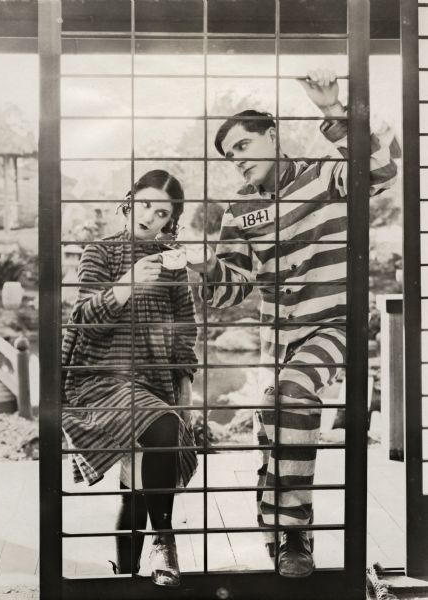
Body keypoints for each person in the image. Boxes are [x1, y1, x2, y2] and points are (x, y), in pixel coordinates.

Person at [189, 69, 399, 577]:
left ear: (274, 135)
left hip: (334, 327)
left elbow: (382, 169)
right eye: (230, 154)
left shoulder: (326, 175)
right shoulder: (239, 211)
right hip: (276, 341)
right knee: (275, 428)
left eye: (244, 144)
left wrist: (332, 110)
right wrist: (203, 265)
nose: (238, 159)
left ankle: (292, 532)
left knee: (286, 400)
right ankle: (281, 530)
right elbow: (230, 291)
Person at [62, 170, 198, 587]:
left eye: (162, 213)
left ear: (169, 221)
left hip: (153, 385)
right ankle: (165, 540)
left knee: (137, 487)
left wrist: (186, 389)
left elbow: (184, 331)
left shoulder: (173, 263)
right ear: (130, 202)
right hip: (101, 380)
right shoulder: (99, 253)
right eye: (145, 205)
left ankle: (126, 576)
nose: (150, 217)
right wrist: (127, 283)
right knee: (160, 428)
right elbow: (83, 321)